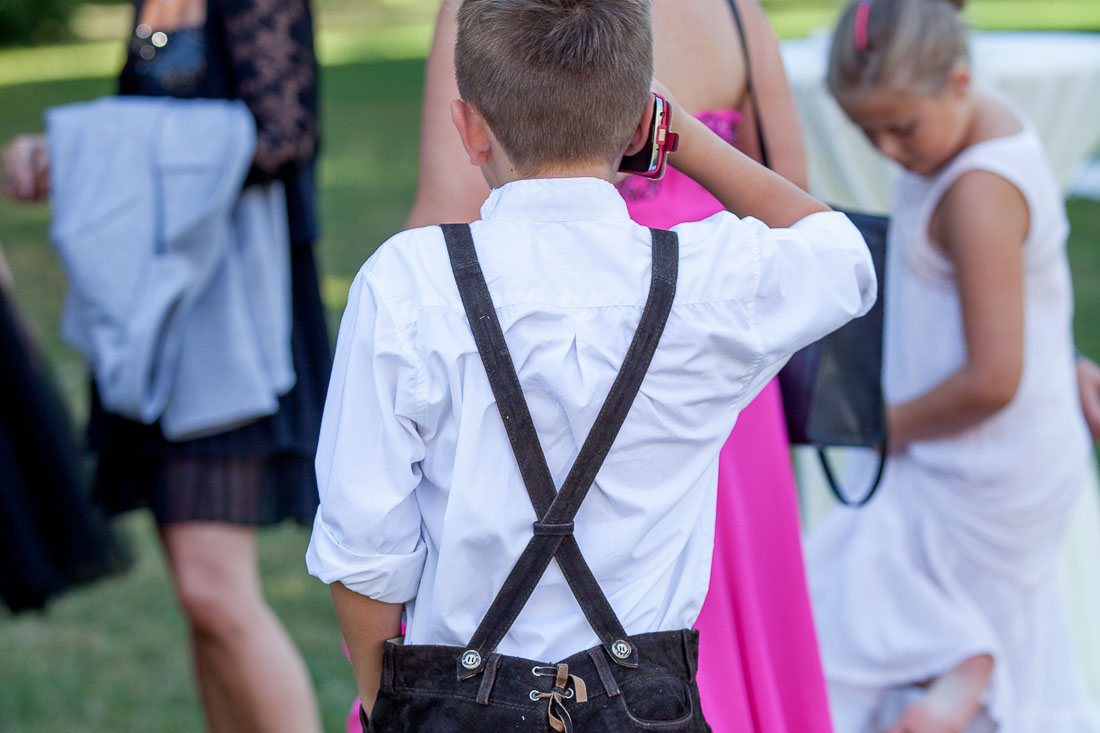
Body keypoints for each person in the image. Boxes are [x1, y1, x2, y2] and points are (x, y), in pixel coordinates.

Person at [305, 0, 877, 729]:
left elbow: (364, 549)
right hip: (648, 703)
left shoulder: (406, 285)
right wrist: (688, 141)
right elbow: (843, 257)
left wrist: (394, 705)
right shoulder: (707, 283)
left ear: (470, 129)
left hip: (454, 701)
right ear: (643, 126)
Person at [2, 1, 328, 730]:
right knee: (197, 596)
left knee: (216, 589)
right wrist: (67, 157)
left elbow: (285, 138)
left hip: (232, 321)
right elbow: (145, 144)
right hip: (151, 314)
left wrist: (83, 149)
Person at [804, 0, 1100, 730]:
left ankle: (962, 665)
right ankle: (957, 672)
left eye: (900, 128)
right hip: (979, 437)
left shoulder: (977, 190)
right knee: (857, 584)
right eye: (865, 131)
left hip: (983, 455)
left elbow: (994, 378)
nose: (887, 150)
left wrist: (884, 428)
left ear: (959, 81)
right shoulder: (963, 133)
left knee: (843, 597)